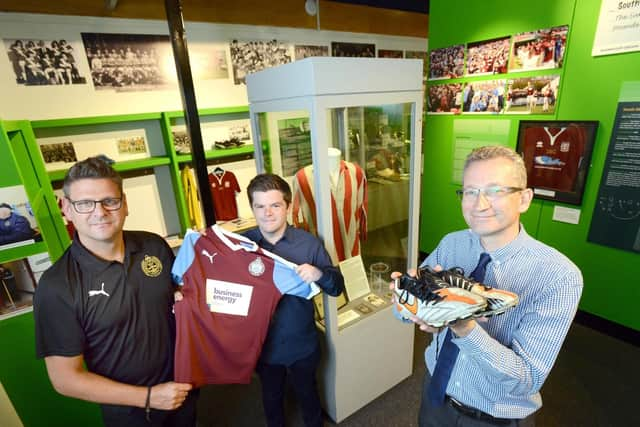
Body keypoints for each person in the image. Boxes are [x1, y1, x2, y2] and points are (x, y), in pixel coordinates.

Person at [393, 146, 582, 426]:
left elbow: (526, 379)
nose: (479, 204)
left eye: (495, 191)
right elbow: (403, 312)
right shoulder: (452, 243)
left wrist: (463, 326)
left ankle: (472, 300)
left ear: (524, 199)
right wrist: (410, 302)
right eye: (470, 191)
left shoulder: (559, 276)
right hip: (434, 391)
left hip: (492, 417)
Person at [33, 156, 197, 427]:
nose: (100, 212)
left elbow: (176, 300)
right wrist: (148, 397)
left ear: (124, 204)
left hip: (183, 390)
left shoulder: (154, 246)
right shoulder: (57, 287)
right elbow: (65, 379)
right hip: (132, 412)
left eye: (109, 201)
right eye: (85, 204)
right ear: (66, 209)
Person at [243, 173, 344, 427]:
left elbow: (337, 287)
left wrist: (318, 273)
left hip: (302, 344)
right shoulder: (242, 245)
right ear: (252, 209)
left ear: (287, 206)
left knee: (308, 395)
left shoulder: (309, 245)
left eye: (275, 205)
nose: (267, 213)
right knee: (271, 398)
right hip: (262, 346)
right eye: (260, 206)